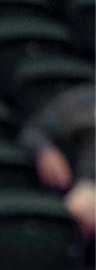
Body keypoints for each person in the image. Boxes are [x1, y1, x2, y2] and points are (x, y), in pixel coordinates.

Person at [22, 82, 96, 241]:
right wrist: (45, 151)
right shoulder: (83, 101)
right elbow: (33, 132)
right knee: (81, 207)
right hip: (89, 188)